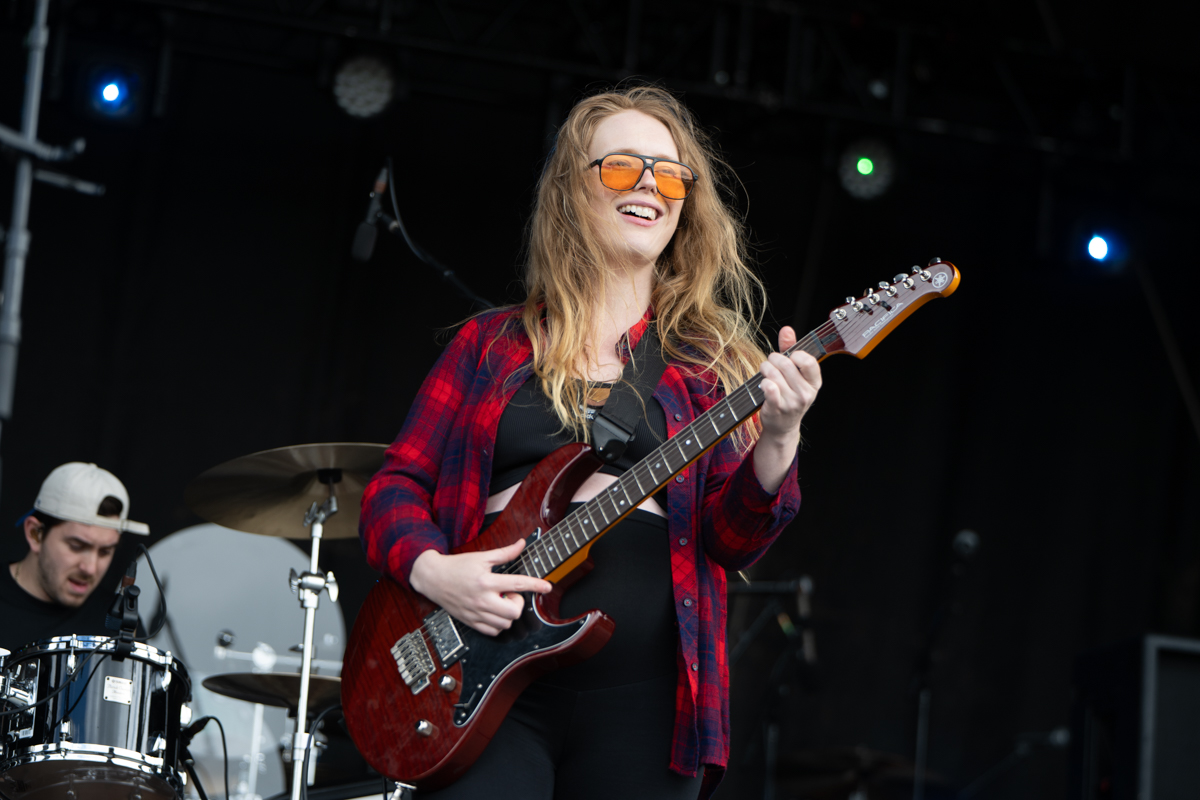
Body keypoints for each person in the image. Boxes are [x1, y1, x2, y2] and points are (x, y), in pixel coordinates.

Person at [360, 84, 822, 800]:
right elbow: (395, 486)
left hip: (646, 704)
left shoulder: (707, 369)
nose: (651, 186)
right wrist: (433, 572)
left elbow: (733, 540)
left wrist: (781, 438)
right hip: (481, 687)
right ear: (574, 190)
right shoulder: (491, 346)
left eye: (671, 175)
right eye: (623, 166)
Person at [1, 462, 149, 654]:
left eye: (105, 551)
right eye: (77, 546)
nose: (90, 568)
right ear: (35, 534)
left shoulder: (121, 622)